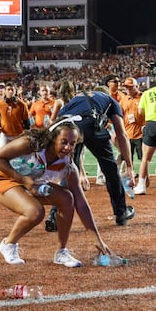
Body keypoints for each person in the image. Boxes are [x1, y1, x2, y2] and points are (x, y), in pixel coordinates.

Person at [0, 116, 111, 267]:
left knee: (68, 198)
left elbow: (81, 203)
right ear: (53, 138)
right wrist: (24, 180)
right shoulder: (30, 144)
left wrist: (97, 239)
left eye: (72, 144)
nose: (68, 147)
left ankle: (61, 252)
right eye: (64, 142)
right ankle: (8, 244)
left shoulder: (68, 166)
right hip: (6, 179)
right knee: (35, 212)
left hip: (32, 184)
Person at [46, 83, 136, 228]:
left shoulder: (77, 98)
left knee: (68, 171)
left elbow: (62, 121)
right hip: (90, 124)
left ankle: (55, 214)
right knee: (110, 169)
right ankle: (121, 212)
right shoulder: (111, 100)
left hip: (65, 126)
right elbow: (121, 134)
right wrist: (130, 166)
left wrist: (79, 168)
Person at [118, 77, 145, 173]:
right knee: (127, 157)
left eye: (130, 87)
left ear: (136, 87)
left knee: (143, 157)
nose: (128, 90)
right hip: (127, 133)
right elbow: (119, 115)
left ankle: (143, 176)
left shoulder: (144, 97)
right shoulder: (124, 100)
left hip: (141, 134)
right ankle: (130, 174)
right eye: (126, 87)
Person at [0, 82, 30, 147]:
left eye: (12, 90)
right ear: (4, 91)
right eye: (8, 89)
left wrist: (26, 134)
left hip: (18, 135)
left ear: (15, 91)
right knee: (3, 155)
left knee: (18, 156)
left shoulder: (22, 105)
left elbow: (26, 121)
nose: (10, 91)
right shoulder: (0, 104)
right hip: (5, 135)